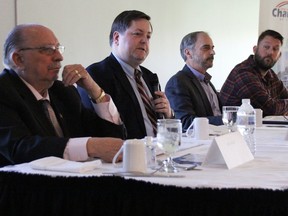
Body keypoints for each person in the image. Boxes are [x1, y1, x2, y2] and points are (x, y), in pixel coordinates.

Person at [0, 24, 126, 167]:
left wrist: (94, 90)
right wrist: (90, 147)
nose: (59, 57)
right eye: (48, 50)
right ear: (18, 59)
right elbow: (19, 148)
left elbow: (113, 142)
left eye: (58, 49)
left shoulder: (63, 91)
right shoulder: (4, 91)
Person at [78, 10, 174, 139]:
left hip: (159, 151)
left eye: (148, 36)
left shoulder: (148, 76)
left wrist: (168, 115)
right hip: (125, 155)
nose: (144, 41)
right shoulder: (96, 75)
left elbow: (166, 127)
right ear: (117, 38)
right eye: (137, 34)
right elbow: (97, 129)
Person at [220, 29, 288, 116]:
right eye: (266, 47)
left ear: (279, 56)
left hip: (260, 128)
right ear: (255, 49)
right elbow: (269, 109)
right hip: (234, 128)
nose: (270, 52)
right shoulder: (243, 72)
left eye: (275, 49)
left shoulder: (270, 74)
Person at [165, 31, 223, 131]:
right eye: (206, 47)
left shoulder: (207, 82)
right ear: (188, 53)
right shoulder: (178, 82)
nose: (212, 52)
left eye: (212, 48)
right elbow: (185, 122)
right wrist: (225, 120)